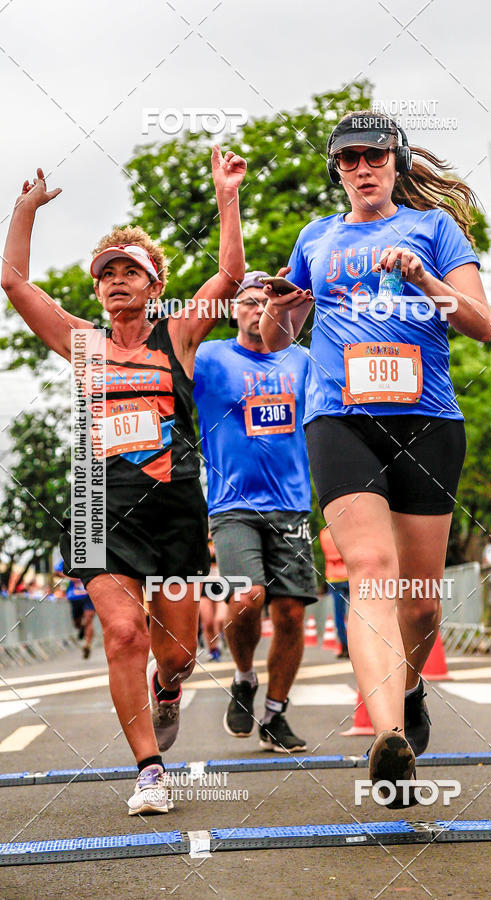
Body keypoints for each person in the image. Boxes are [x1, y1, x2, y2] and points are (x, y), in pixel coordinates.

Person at [1, 147, 246, 815]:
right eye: (105, 272)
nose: (115, 280)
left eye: (129, 271)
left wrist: (227, 195)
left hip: (173, 515)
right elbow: (16, 284)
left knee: (175, 652)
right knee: (122, 634)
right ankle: (149, 770)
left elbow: (230, 274)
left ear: (153, 284)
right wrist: (24, 210)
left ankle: (168, 690)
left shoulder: (180, 336)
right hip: (98, 511)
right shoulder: (82, 343)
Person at [260, 111, 491, 805]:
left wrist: (424, 276)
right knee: (370, 572)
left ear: (395, 163)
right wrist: (281, 307)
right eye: (349, 158)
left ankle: (411, 686)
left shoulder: (434, 231)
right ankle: (388, 739)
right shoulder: (316, 238)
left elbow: (482, 324)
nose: (363, 168)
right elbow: (277, 340)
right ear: (337, 168)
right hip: (339, 417)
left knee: (419, 606)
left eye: (374, 156)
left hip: (427, 422)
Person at [193, 271, 318, 753]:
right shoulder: (210, 356)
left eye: (263, 301)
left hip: (292, 504)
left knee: (290, 613)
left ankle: (275, 715)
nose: (253, 308)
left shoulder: (300, 360)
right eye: (244, 301)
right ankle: (244, 678)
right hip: (232, 504)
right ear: (231, 308)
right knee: (246, 598)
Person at [55, 559, 95, 658]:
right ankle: (81, 628)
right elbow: (56, 571)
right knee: (77, 623)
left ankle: (87, 645)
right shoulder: (71, 554)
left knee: (89, 619)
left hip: (88, 594)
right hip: (74, 596)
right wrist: (70, 577)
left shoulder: (94, 552)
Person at [320, 525, 350, 657]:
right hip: (350, 574)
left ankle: (345, 647)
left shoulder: (324, 533)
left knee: (339, 614)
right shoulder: (344, 529)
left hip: (334, 578)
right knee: (358, 612)